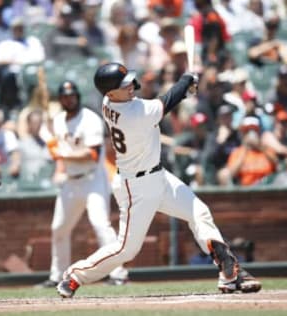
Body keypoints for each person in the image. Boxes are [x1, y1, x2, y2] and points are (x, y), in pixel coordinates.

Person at [55, 62, 261, 298]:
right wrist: (186, 82)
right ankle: (74, 276)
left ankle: (229, 271)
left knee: (199, 212)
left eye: (129, 81)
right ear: (110, 93)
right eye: (124, 85)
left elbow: (168, 99)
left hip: (158, 176)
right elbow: (167, 101)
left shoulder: (108, 102)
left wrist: (185, 89)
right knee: (126, 249)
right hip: (137, 187)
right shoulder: (134, 113)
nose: (131, 86)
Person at [41, 80, 128, 288]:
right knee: (59, 228)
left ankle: (118, 274)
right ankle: (57, 274)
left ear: (78, 97)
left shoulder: (90, 119)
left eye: (72, 96)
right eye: (65, 96)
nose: (69, 99)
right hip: (71, 182)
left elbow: (92, 154)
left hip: (93, 179)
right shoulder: (59, 120)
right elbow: (56, 143)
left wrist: (63, 154)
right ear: (60, 99)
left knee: (101, 225)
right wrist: (52, 146)